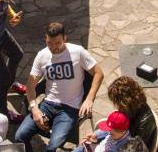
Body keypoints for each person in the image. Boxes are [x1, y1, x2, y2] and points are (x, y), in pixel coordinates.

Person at [16, 22, 104, 152]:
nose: (53, 47)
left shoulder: (78, 52)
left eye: (57, 43)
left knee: (52, 147)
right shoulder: (42, 55)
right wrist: (34, 109)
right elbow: (30, 85)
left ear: (65, 38)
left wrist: (89, 99)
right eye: (49, 43)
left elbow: (99, 73)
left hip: (69, 109)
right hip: (48, 104)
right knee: (20, 136)